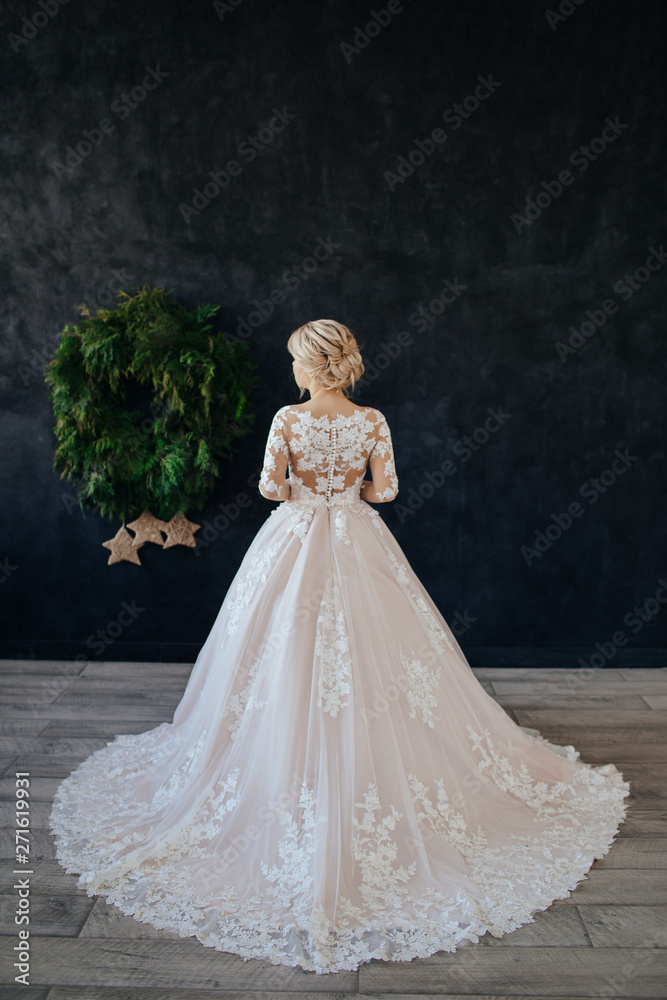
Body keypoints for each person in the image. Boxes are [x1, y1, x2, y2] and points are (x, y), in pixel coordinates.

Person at [50, 318, 630, 976]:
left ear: (309, 365)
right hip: (357, 536)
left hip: (293, 536)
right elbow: (385, 490)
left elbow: (271, 487)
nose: (291, 370)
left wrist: (303, 491)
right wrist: (345, 490)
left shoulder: (286, 421)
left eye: (295, 360)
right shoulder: (372, 419)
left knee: (276, 646)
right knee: (382, 653)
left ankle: (278, 762)